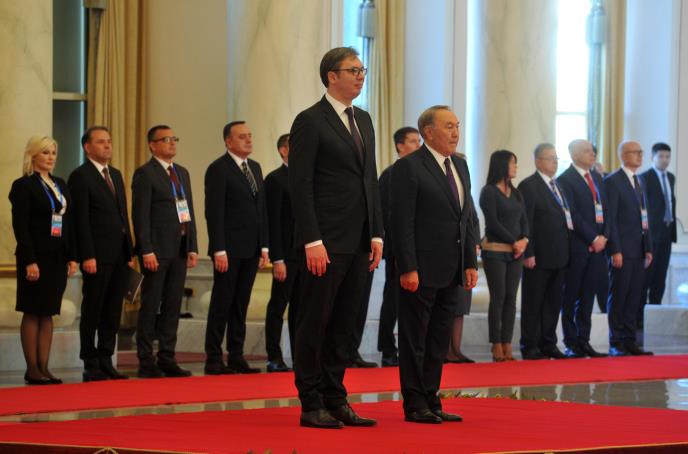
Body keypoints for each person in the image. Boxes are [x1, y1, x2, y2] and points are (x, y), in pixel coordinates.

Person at [289, 46, 383, 429]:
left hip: (358, 240)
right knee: (315, 323)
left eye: (362, 70)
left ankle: (336, 398)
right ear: (332, 76)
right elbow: (300, 185)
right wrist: (312, 239)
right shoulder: (310, 121)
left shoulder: (364, 119)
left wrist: (376, 232)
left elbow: (369, 179)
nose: (360, 76)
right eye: (353, 70)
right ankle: (311, 403)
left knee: (345, 325)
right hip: (324, 243)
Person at [392, 105, 478, 423]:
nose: (456, 133)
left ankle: (432, 398)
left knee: (439, 338)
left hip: (452, 268)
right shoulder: (409, 167)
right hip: (420, 268)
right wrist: (408, 267)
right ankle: (415, 403)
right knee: (415, 338)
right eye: (448, 126)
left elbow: (465, 218)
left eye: (457, 126)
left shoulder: (460, 165)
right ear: (428, 132)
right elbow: (402, 221)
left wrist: (470, 262)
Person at [9, 136, 78, 385]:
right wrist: (29, 260)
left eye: (53, 153)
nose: (51, 157)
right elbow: (21, 226)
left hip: (57, 257)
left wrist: (72, 256)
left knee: (48, 312)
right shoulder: (23, 185)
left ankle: (44, 367)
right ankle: (32, 369)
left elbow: (69, 223)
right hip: (35, 257)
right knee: (33, 310)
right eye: (45, 152)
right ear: (33, 155)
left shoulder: (60, 184)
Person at [68, 126, 135, 382]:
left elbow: (122, 215)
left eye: (109, 141)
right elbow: (81, 220)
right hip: (96, 255)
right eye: (101, 142)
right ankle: (90, 361)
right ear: (87, 147)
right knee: (93, 309)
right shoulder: (80, 176)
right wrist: (87, 255)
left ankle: (107, 359)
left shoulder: (115, 174)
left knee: (113, 310)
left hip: (119, 255)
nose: (107, 145)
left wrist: (129, 251)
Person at [132, 125, 199, 378]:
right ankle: (145, 359)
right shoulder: (145, 173)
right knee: (151, 304)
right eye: (166, 139)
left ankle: (167, 356)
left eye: (174, 139)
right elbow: (140, 215)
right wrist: (146, 249)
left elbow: (188, 211)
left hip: (180, 248)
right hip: (156, 250)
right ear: (152, 145)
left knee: (173, 304)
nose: (172, 143)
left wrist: (192, 245)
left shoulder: (181, 172)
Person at [204, 121, 269, 375]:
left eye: (250, 136)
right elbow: (214, 212)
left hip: (251, 248)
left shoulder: (255, 167)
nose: (248, 140)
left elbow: (261, 210)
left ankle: (236, 355)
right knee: (222, 303)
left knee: (241, 304)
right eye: (242, 137)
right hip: (228, 250)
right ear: (228, 142)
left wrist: (264, 246)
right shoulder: (218, 169)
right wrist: (218, 249)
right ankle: (213, 357)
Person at [517, 143, 571, 360]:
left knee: (552, 303)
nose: (555, 162)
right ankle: (530, 345)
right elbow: (526, 221)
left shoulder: (558, 186)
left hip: (560, 255)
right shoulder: (529, 186)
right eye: (550, 158)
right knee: (533, 302)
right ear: (538, 161)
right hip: (538, 256)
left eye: (556, 158)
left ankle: (548, 343)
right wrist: (528, 252)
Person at [557, 139, 609, 358]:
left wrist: (604, 237)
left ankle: (584, 340)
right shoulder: (564, 180)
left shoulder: (597, 177)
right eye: (587, 151)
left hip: (598, 248)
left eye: (593, 151)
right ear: (574, 154)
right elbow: (573, 215)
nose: (592, 154)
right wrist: (593, 237)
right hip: (578, 246)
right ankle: (571, 342)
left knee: (588, 297)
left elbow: (606, 209)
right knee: (571, 297)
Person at [604, 141, 653, 356]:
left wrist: (648, 247)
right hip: (622, 250)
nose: (640, 155)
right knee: (619, 295)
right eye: (635, 152)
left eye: (641, 152)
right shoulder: (612, 181)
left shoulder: (639, 180)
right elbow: (611, 219)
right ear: (623, 155)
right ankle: (616, 341)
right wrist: (615, 249)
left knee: (634, 296)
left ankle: (630, 339)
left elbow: (645, 216)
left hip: (639, 249)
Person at [377, 126, 421, 367]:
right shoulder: (390, 174)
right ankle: (387, 347)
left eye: (419, 140)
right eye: (413, 141)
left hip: (420, 248)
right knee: (393, 298)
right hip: (397, 248)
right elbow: (386, 214)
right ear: (400, 146)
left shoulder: (421, 172)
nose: (418, 145)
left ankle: (411, 348)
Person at [479, 150, 528, 362]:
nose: (515, 167)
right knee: (498, 297)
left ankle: (508, 344)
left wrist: (524, 239)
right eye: (512, 163)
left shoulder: (516, 193)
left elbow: (524, 220)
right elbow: (493, 223)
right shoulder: (488, 192)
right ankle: (496, 344)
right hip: (496, 251)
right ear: (501, 165)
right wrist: (513, 241)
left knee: (511, 299)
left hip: (516, 252)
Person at [264, 133, 297, 373]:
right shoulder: (275, 179)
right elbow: (273, 222)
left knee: (301, 310)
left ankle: (300, 356)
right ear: (284, 150)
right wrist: (277, 258)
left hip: (305, 255)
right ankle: (274, 356)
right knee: (278, 306)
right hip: (285, 255)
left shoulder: (307, 177)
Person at [445, 151, 479, 364]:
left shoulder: (467, 193)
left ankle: (456, 349)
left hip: (466, 255)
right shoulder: (448, 191)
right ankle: (445, 351)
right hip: (450, 254)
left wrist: (475, 243)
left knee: (461, 307)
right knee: (450, 305)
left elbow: (473, 220)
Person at [639, 143, 676, 316]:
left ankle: (655, 315)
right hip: (651, 235)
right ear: (652, 157)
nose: (665, 160)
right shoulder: (644, 177)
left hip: (667, 234)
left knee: (660, 277)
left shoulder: (671, 178)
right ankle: (640, 316)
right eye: (661, 156)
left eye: (667, 156)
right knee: (646, 277)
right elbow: (643, 208)